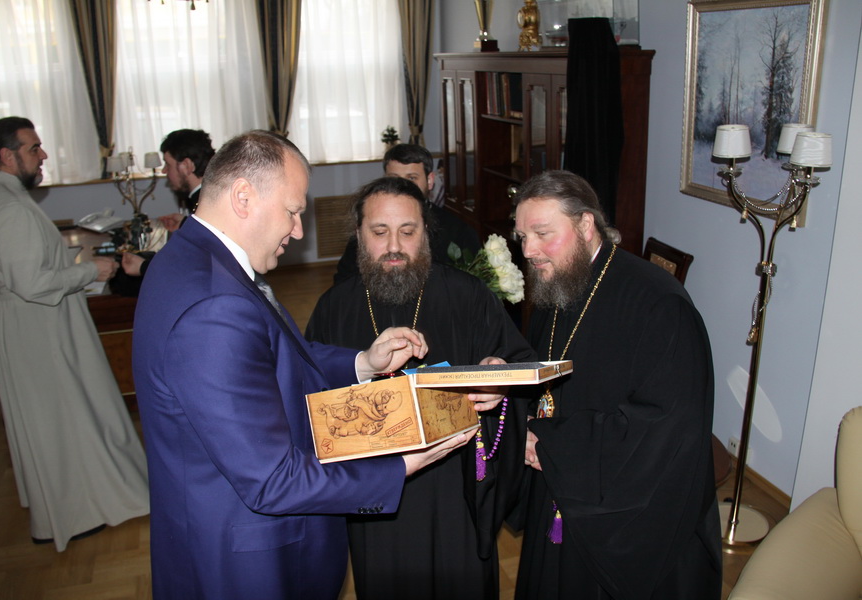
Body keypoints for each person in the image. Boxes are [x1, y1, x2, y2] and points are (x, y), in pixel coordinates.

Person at [131, 130, 475, 600]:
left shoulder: (192, 259)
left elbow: (267, 358)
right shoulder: (212, 306)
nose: (297, 231)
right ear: (243, 197)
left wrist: (362, 362)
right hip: (247, 562)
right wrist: (398, 467)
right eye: (293, 212)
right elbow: (273, 480)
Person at [306, 176, 536, 600]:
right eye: (379, 232)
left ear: (426, 234)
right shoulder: (333, 308)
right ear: (359, 235)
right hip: (376, 495)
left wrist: (499, 381)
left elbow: (518, 364)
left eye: (408, 231)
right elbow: (311, 402)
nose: (394, 246)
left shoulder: (468, 296)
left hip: (455, 490)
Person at [511, 170, 722, 599]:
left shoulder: (660, 306)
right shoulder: (561, 282)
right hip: (563, 486)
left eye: (542, 234)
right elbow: (547, 373)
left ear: (586, 225)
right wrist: (507, 375)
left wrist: (553, 444)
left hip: (622, 518)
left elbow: (662, 432)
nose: (528, 250)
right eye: (522, 237)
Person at [0, 117, 150, 551]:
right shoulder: (9, 208)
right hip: (37, 323)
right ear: (7, 156)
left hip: (13, 317)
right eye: (33, 148)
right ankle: (78, 509)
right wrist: (90, 270)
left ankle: (66, 501)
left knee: (45, 416)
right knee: (61, 414)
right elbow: (32, 283)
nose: (43, 155)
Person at [333, 143, 480, 284]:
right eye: (394, 178)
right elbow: (345, 281)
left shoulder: (458, 231)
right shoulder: (369, 227)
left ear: (430, 180)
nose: (403, 186)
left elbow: (471, 284)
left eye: (412, 178)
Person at [120, 128, 215, 278]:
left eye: (168, 164)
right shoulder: (210, 196)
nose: (164, 171)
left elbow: (194, 268)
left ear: (186, 166)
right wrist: (184, 223)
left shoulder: (205, 205)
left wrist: (144, 267)